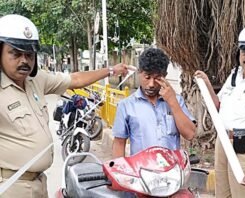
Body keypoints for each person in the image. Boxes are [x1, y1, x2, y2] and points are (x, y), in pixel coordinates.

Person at [0, 14, 131, 198]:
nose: (24, 60)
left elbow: (75, 79)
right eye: (16, 53)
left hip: (38, 183)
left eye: (29, 54)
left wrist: (111, 70)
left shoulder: (36, 80)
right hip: (10, 186)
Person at [194, 24, 245, 198]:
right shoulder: (235, 75)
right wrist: (207, 85)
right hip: (223, 143)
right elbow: (219, 107)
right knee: (222, 195)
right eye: (244, 52)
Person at [112, 47, 196, 158]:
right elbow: (119, 142)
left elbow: (190, 134)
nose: (151, 84)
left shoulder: (176, 101)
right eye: (147, 77)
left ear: (165, 75)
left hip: (172, 171)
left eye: (157, 78)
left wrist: (172, 102)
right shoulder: (126, 106)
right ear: (139, 73)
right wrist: (120, 173)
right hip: (141, 171)